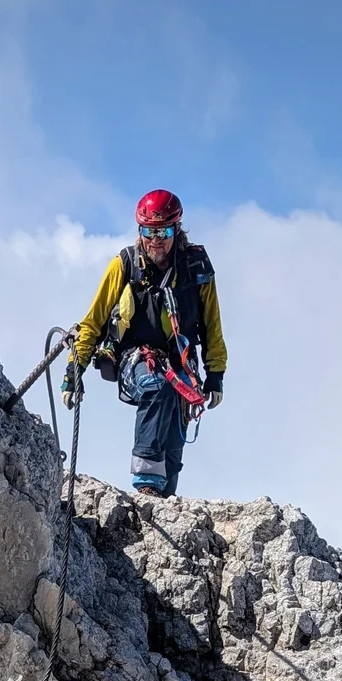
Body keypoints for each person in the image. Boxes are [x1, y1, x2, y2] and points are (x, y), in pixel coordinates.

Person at [62, 189, 226, 497]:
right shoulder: (125, 264)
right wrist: (75, 370)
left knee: (174, 446)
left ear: (176, 229)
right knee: (158, 386)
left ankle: (165, 499)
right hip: (136, 360)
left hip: (181, 364)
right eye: (148, 232)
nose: (155, 240)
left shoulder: (196, 268)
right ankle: (146, 485)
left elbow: (212, 324)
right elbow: (94, 320)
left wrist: (215, 373)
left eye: (162, 231)